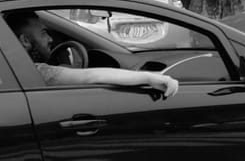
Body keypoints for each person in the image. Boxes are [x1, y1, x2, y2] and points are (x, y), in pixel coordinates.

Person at [12, 14, 178, 97]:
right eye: (43, 33)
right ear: (25, 41)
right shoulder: (37, 72)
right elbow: (91, 75)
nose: (50, 39)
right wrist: (150, 78)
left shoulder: (10, 71)